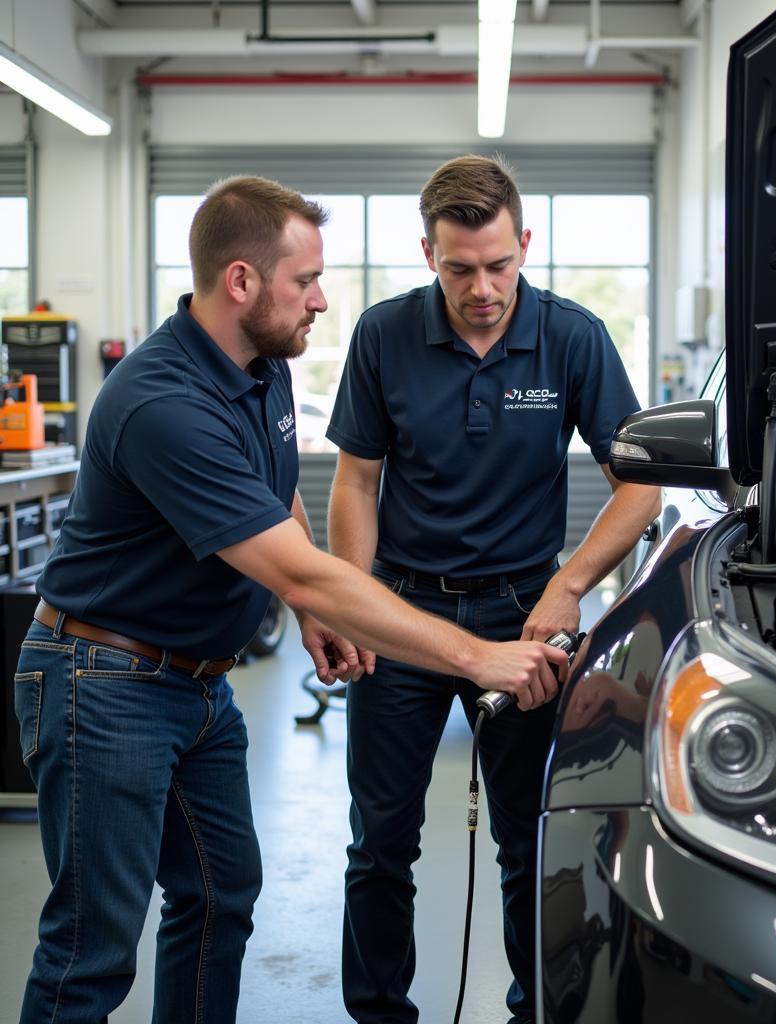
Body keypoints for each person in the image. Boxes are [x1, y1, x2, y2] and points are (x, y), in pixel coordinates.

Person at [13, 175, 566, 1024]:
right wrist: (475, 654)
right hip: (105, 683)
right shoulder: (162, 403)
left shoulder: (263, 364)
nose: (320, 300)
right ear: (241, 282)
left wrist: (310, 610)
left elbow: (279, 505)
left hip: (196, 686)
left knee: (220, 898)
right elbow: (303, 567)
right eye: (305, 281)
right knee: (93, 944)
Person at [326, 154, 661, 1024]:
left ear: (526, 242)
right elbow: (356, 483)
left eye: (499, 265)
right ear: (427, 253)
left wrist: (568, 586)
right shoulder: (381, 334)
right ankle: (378, 1012)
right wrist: (353, 604)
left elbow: (642, 484)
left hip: (522, 616)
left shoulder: (572, 337)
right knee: (381, 843)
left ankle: (531, 1012)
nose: (481, 287)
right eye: (458, 268)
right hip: (402, 613)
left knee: (529, 839)